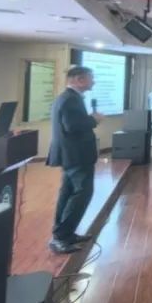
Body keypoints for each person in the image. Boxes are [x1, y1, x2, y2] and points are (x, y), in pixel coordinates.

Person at [46, 66, 104, 254]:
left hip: (72, 155)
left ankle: (64, 233)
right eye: (91, 78)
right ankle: (61, 237)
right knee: (82, 193)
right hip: (77, 155)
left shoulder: (68, 98)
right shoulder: (70, 99)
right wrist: (94, 119)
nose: (93, 81)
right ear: (79, 80)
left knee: (68, 193)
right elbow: (72, 126)